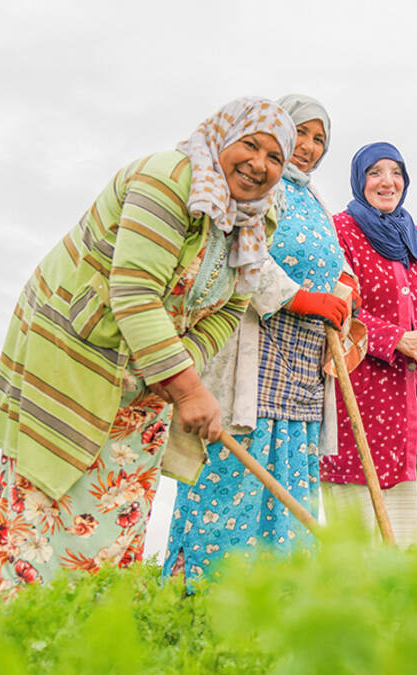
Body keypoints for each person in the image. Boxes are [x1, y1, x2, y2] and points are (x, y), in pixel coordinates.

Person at [0, 97, 296, 595]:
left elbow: (232, 308)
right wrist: (190, 390)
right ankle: (27, 629)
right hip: (76, 346)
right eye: (251, 145)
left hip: (153, 367)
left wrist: (177, 373)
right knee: (50, 485)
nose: (260, 165)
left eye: (276, 157)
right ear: (221, 136)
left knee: (118, 495)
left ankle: (95, 627)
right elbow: (133, 293)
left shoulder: (260, 219)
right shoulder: (167, 179)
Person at [163, 94, 365, 581]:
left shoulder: (314, 199)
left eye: (320, 140)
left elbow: (330, 262)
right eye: (302, 134)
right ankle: (205, 593)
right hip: (251, 344)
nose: (309, 147)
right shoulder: (255, 186)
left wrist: (344, 287)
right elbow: (237, 247)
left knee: (290, 467)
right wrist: (297, 297)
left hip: (302, 359)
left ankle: (280, 600)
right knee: (236, 467)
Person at [319, 142, 417, 546]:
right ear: (359, 180)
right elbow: (339, 301)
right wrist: (396, 337)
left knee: (403, 500)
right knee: (358, 497)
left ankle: (399, 595)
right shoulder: (340, 229)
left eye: (395, 172)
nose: (388, 181)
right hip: (359, 383)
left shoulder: (416, 237)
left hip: (407, 389)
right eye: (375, 172)